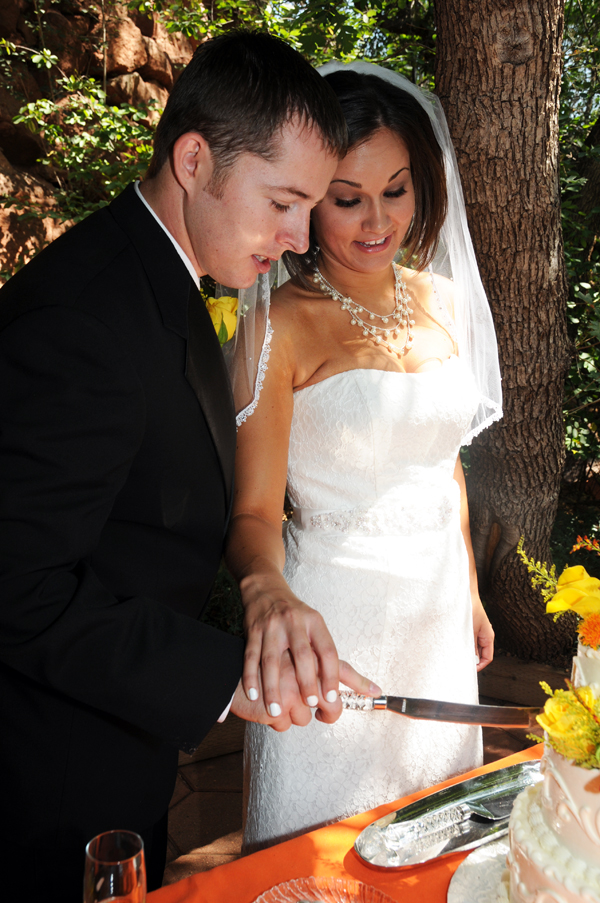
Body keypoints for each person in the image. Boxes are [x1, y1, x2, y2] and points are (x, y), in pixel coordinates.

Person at [0, 34, 378, 903]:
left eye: (308, 207)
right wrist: (226, 678)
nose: (294, 240)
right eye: (284, 202)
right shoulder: (83, 317)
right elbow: (16, 586)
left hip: (114, 747)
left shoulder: (168, 279)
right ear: (196, 158)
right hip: (44, 777)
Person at [225, 61, 503, 850]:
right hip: (331, 626)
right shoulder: (277, 325)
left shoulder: (446, 303)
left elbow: (444, 463)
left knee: (439, 841)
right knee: (323, 858)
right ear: (311, 199)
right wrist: (268, 595)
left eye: (396, 189)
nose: (376, 220)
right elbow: (250, 511)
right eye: (346, 199)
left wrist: (472, 593)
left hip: (437, 617)